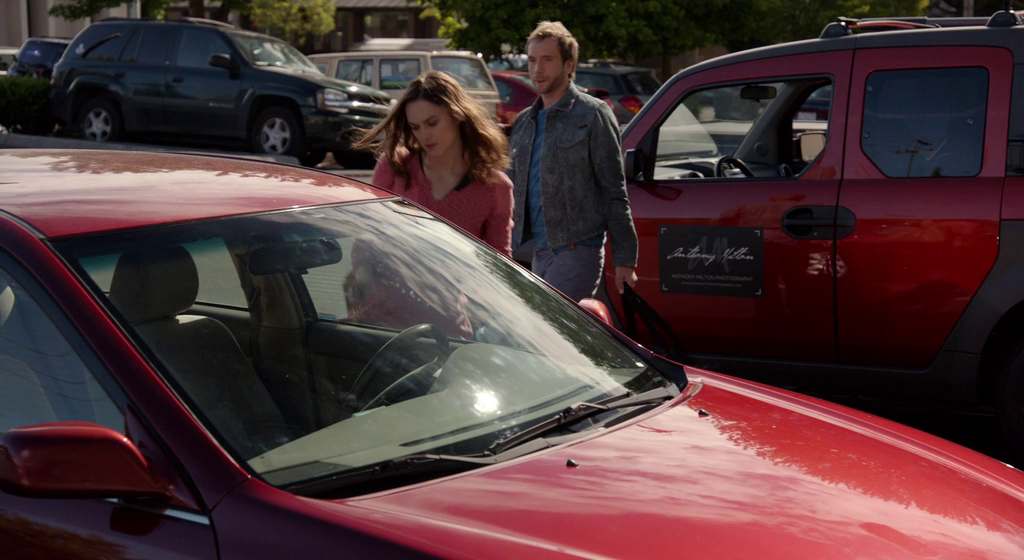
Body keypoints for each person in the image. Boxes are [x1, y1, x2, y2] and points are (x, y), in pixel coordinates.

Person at [509, 21, 639, 302]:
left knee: (549, 319)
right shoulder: (524, 122)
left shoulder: (593, 114)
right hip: (536, 251)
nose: (537, 69)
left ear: (569, 65)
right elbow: (510, 187)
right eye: (532, 60)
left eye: (547, 60)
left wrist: (625, 259)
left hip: (577, 248)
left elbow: (614, 190)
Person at [355, 71, 513, 257]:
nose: (424, 135)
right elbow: (369, 235)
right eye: (415, 127)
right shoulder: (395, 166)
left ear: (457, 114)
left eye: (432, 123)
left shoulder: (495, 187)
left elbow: (500, 260)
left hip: (456, 276)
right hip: (392, 274)